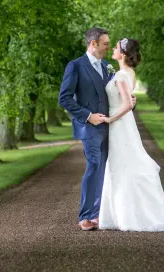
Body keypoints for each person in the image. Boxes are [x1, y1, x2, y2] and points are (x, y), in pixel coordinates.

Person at [59, 27, 135, 231]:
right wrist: (87, 116)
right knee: (94, 165)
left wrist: (129, 100)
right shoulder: (75, 66)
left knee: (104, 168)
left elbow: (114, 94)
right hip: (89, 127)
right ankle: (86, 215)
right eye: (104, 44)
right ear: (93, 44)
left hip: (111, 126)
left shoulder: (108, 66)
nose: (108, 48)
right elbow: (64, 98)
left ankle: (100, 213)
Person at [98, 38, 164, 232]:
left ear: (122, 54)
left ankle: (128, 216)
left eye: (115, 47)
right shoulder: (127, 73)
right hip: (124, 125)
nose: (112, 49)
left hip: (120, 124)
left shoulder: (122, 75)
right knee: (121, 165)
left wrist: (110, 119)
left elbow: (127, 105)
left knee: (122, 165)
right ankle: (118, 214)